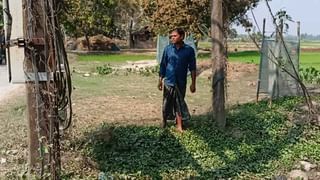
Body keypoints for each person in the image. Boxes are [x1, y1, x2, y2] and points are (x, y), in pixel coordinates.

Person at [158, 28, 197, 132]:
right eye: (171, 36)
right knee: (166, 103)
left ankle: (179, 125)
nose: (172, 38)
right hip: (169, 81)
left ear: (182, 36)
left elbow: (193, 68)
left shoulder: (189, 50)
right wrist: (160, 80)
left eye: (174, 36)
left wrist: (193, 84)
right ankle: (164, 121)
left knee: (179, 103)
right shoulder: (168, 49)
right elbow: (163, 65)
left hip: (181, 82)